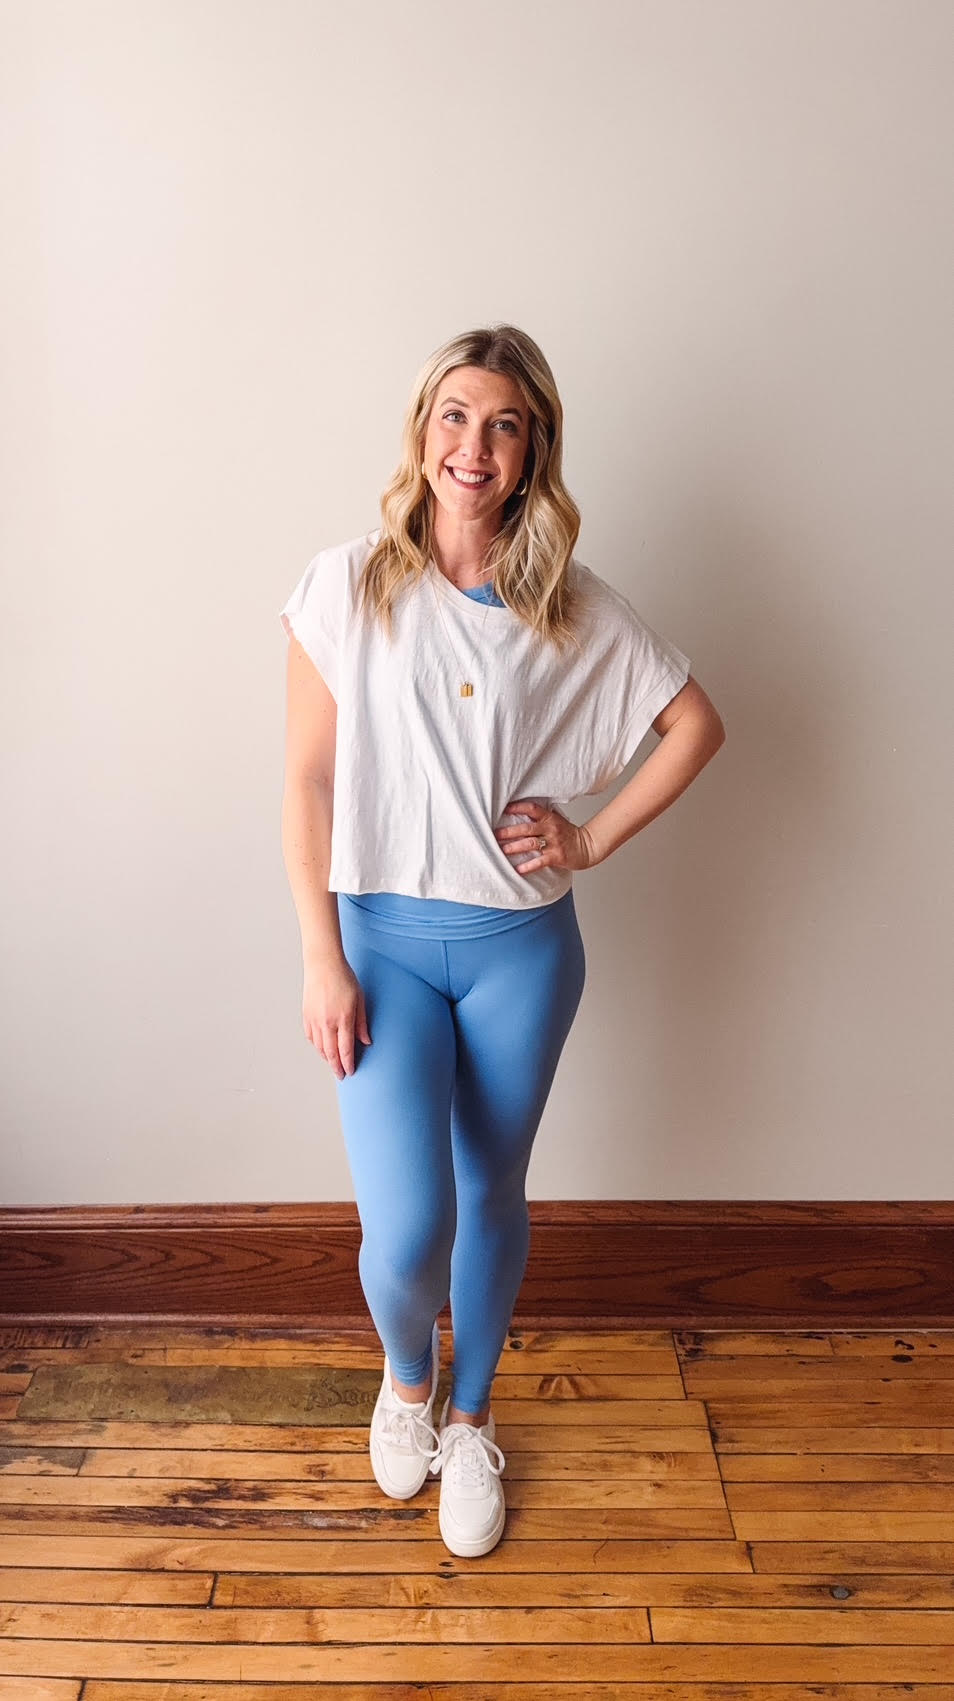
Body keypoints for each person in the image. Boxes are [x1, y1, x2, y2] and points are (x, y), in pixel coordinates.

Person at [279, 323, 725, 1559]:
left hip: (521, 953)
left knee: (490, 1191)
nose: (474, 446)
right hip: (379, 944)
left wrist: (591, 838)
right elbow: (306, 784)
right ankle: (407, 1380)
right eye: (456, 416)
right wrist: (319, 954)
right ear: (424, 432)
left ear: (532, 453)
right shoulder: (345, 587)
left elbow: (695, 724)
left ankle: (473, 1418)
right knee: (405, 1230)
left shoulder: (568, 607)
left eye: (505, 425)